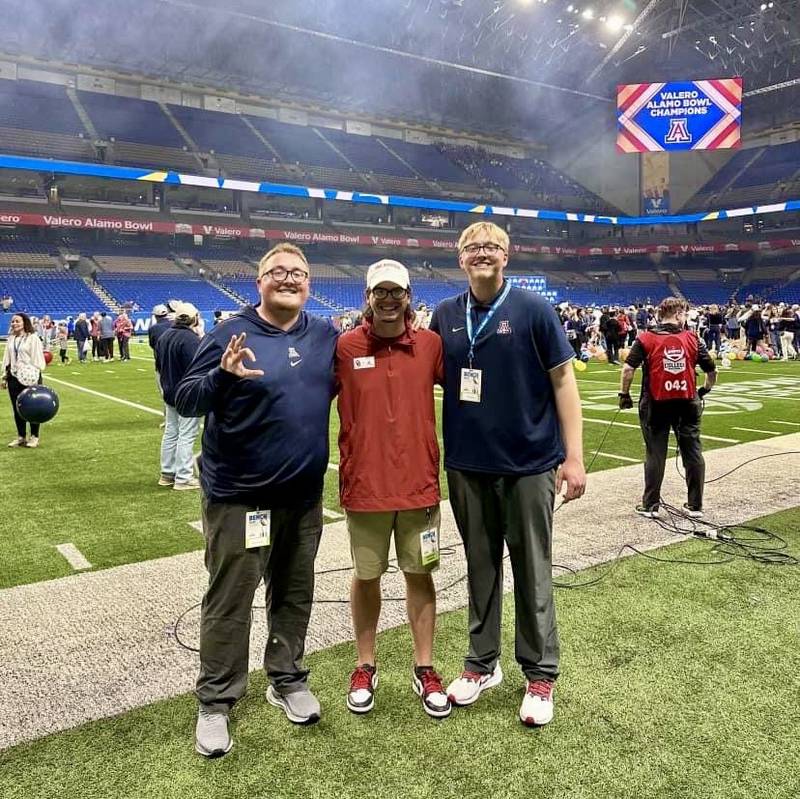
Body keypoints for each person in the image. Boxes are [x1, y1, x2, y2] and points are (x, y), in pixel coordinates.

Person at [174, 242, 338, 758]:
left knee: (293, 592)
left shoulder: (324, 334)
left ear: (309, 283)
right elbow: (184, 397)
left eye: (299, 272)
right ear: (259, 281)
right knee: (231, 598)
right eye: (278, 272)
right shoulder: (230, 333)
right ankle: (216, 700)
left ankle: (286, 678)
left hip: (302, 496)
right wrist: (223, 375)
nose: (289, 278)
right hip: (242, 497)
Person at [429, 221, 586, 727]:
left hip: (530, 463)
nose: (483, 253)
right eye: (474, 247)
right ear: (460, 259)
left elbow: (564, 382)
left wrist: (575, 456)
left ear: (507, 256)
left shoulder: (533, 309)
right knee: (480, 567)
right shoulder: (445, 315)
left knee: (532, 567)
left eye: (492, 246)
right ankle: (481, 663)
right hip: (469, 464)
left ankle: (540, 672)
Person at [336, 259, 449, 719]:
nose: (387, 300)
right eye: (379, 292)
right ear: (367, 296)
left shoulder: (431, 345)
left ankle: (424, 667)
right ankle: (366, 664)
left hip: (419, 487)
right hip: (365, 486)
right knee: (366, 576)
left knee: (419, 576)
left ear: (409, 295)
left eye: (395, 292)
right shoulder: (344, 347)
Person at [618, 297, 717, 519]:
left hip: (655, 403)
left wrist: (624, 394)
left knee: (655, 453)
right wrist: (704, 390)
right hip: (687, 401)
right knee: (692, 451)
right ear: (679, 314)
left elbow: (627, 369)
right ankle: (695, 505)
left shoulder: (645, 338)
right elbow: (712, 371)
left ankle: (651, 505)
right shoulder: (693, 338)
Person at [155, 302, 203, 490]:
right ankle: (183, 477)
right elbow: (197, 368)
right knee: (186, 435)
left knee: (171, 433)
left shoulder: (165, 336)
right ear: (194, 318)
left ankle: (167, 473)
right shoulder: (190, 339)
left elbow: (158, 366)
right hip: (186, 393)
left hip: (169, 391)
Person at [1, 312, 47, 448]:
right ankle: (21, 436)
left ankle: (34, 437)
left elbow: (38, 359)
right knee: (17, 408)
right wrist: (4, 376)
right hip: (13, 377)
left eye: (17, 321)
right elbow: (6, 358)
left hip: (30, 377)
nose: (14, 323)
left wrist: (34, 376)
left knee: (33, 407)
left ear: (24, 323)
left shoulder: (32, 338)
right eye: (13, 321)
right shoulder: (11, 339)